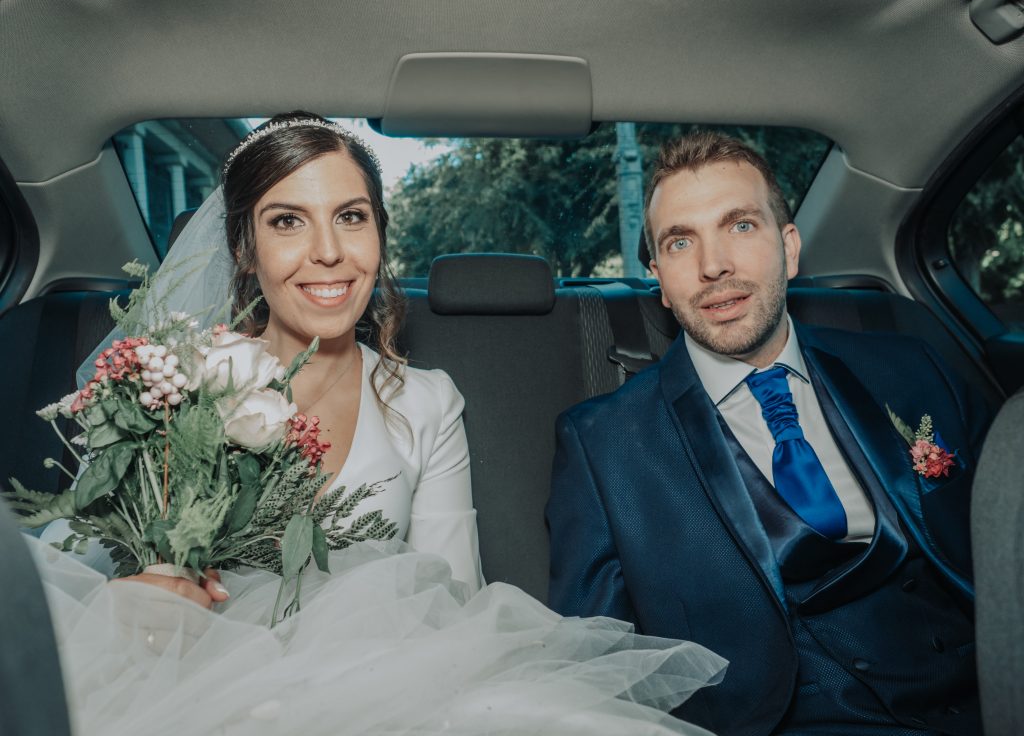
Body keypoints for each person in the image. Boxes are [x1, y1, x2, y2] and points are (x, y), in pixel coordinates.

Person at [27, 113, 726, 736]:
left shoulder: (424, 400)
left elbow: (456, 600)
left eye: (352, 216)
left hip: (382, 698)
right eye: (287, 220)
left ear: (380, 235)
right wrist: (138, 596)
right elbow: (75, 559)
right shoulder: (174, 379)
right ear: (244, 248)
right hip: (192, 691)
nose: (328, 251)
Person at [547, 131, 993, 736]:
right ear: (657, 277)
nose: (713, 266)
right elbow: (593, 660)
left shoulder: (914, 367)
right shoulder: (602, 444)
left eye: (740, 226)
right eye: (681, 242)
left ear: (789, 247)